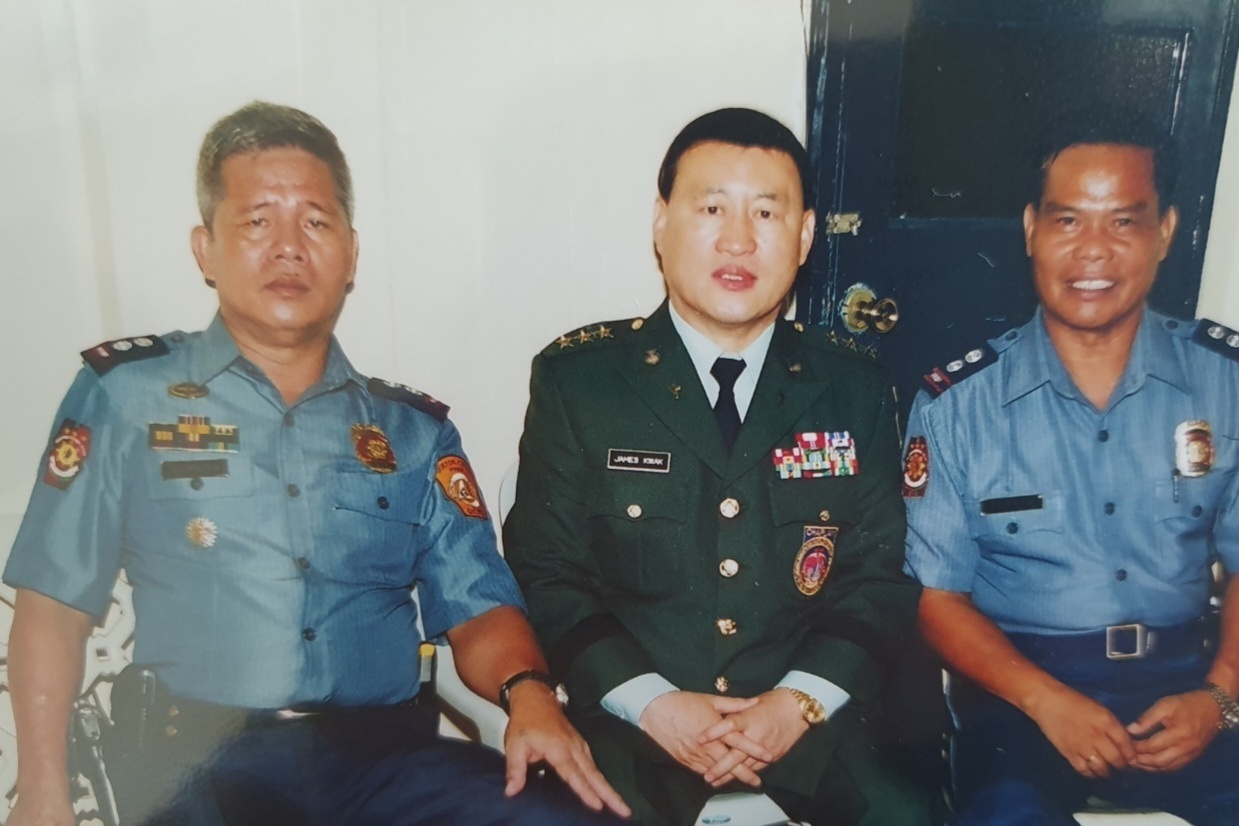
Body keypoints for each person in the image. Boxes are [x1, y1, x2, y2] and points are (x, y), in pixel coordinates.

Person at [3, 101, 629, 826]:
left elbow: (479, 609)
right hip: (196, 765)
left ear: (351, 254)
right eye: (257, 221)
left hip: (384, 764)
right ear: (206, 249)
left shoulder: (412, 432)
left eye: (315, 222)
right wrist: (42, 792)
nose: (289, 248)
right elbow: (54, 608)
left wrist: (529, 693)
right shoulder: (126, 395)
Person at [902, 110, 1239, 825]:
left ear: (1164, 232)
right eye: (1067, 221)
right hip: (1019, 699)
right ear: (1030, 230)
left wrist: (1218, 696)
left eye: (1122, 222)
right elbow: (937, 600)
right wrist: (1046, 701)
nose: (1093, 251)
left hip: (1185, 685)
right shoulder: (958, 406)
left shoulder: (1231, 383)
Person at [503, 107, 931, 826]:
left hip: (816, 733)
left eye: (766, 212)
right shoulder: (581, 383)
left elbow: (878, 577)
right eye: (711, 209)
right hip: (635, 734)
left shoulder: (853, 387)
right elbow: (547, 572)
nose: (738, 239)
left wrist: (797, 703)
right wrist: (652, 704)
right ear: (660, 222)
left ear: (804, 236)